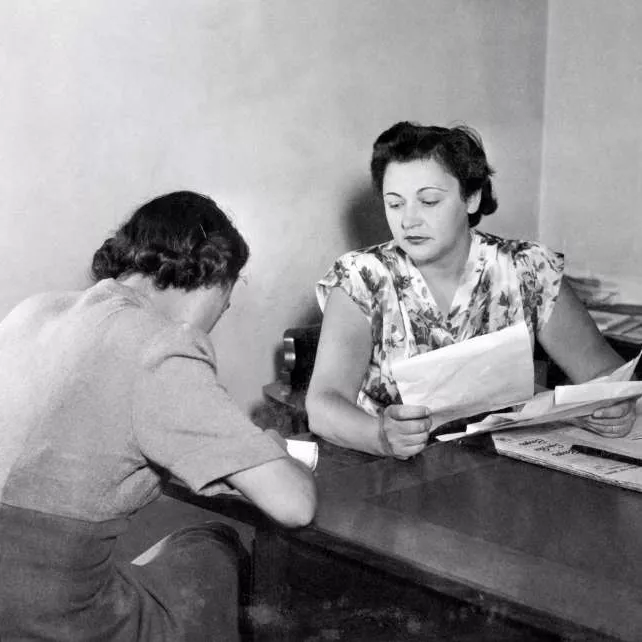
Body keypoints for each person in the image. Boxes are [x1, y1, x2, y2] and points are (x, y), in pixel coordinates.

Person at [0, 191, 317, 641]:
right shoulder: (160, 345)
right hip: (52, 619)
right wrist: (271, 449)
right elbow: (294, 505)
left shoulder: (32, 311)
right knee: (215, 547)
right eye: (223, 306)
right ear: (216, 279)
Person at [306, 122, 637, 459]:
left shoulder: (528, 269)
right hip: (388, 471)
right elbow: (323, 404)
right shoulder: (361, 277)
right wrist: (380, 435)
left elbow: (604, 374)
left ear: (472, 198)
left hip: (502, 465)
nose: (409, 220)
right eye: (394, 204)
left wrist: (614, 406)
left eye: (429, 201)